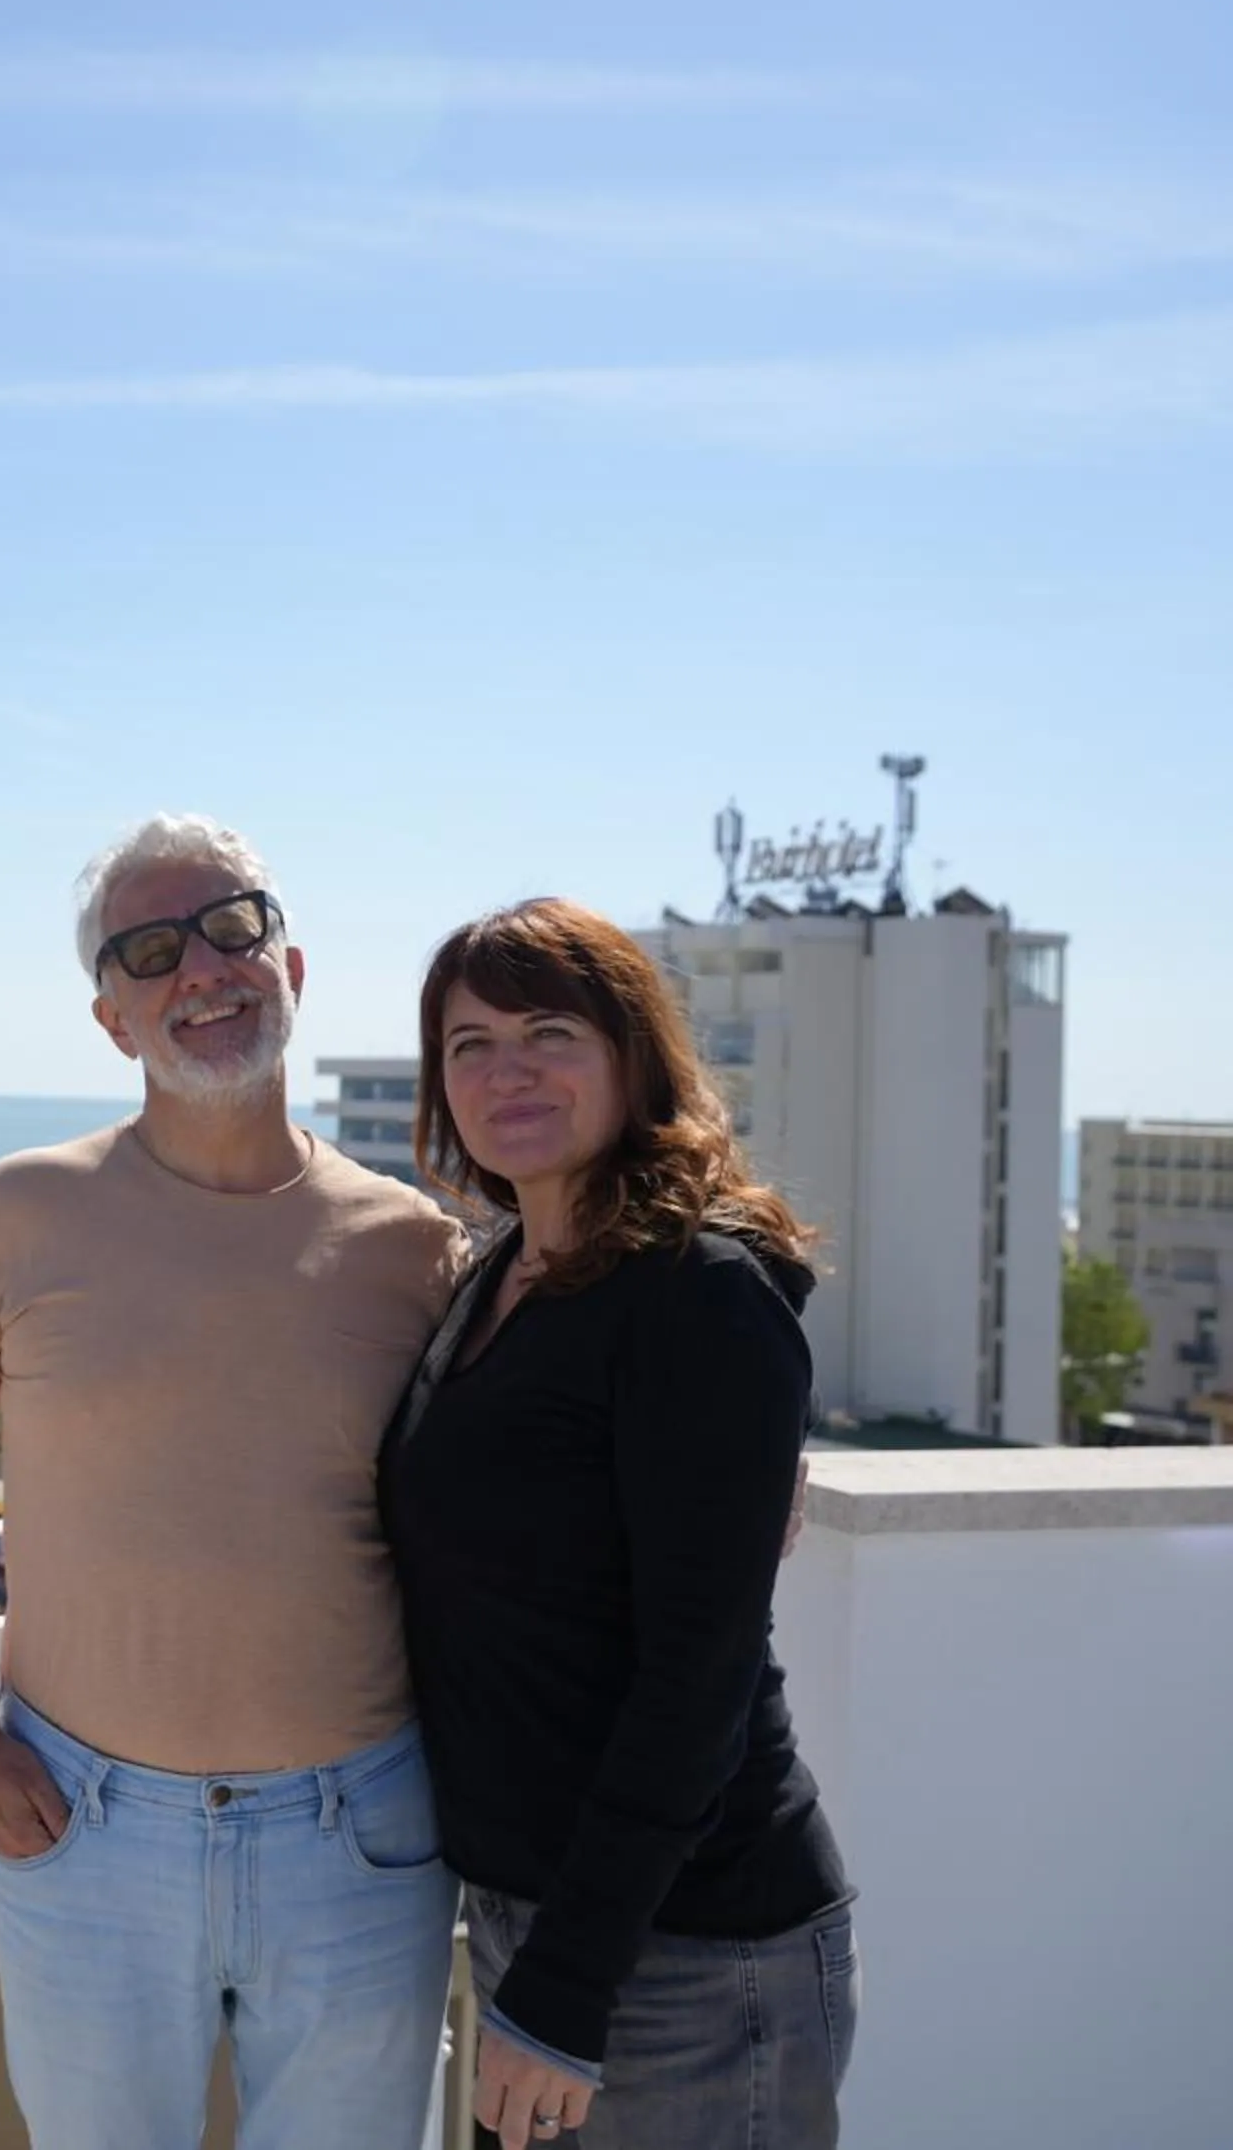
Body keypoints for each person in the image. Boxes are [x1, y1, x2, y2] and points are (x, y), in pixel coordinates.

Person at [0, 813, 468, 2150]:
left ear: (292, 967)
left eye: (231, 927)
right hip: (84, 1823)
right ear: (111, 1020)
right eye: (151, 952)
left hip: (363, 1837)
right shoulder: (16, 1218)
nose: (200, 970)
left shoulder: (414, 1246)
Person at [381, 900, 858, 2150]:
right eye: (470, 1042)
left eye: (551, 1030)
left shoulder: (698, 1293)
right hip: (535, 1916)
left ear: (634, 1058)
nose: (508, 1067)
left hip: (690, 1954)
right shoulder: (499, 1274)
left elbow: (692, 1677)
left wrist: (567, 1983)